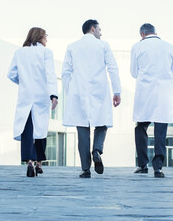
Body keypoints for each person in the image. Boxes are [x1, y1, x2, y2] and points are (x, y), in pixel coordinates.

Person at [62, 19, 122, 178]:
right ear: (93, 29)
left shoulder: (72, 47)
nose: (101, 33)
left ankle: (86, 169)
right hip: (99, 90)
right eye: (100, 30)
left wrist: (71, 93)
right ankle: (97, 149)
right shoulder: (103, 45)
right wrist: (117, 91)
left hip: (78, 92)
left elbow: (65, 73)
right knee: (103, 122)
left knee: (82, 130)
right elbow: (113, 68)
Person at [7, 27, 58, 177]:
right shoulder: (46, 53)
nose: (47, 39)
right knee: (41, 129)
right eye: (46, 36)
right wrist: (53, 94)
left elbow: (11, 74)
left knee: (28, 129)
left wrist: (23, 82)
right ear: (40, 36)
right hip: (42, 95)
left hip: (26, 95)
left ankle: (29, 161)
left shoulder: (20, 52)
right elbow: (50, 74)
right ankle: (39, 163)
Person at [131, 23, 173, 178]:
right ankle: (158, 168)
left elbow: (133, 72)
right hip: (163, 95)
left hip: (145, 94)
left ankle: (142, 165)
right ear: (155, 32)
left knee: (141, 128)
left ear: (142, 34)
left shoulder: (137, 47)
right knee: (160, 131)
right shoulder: (169, 46)